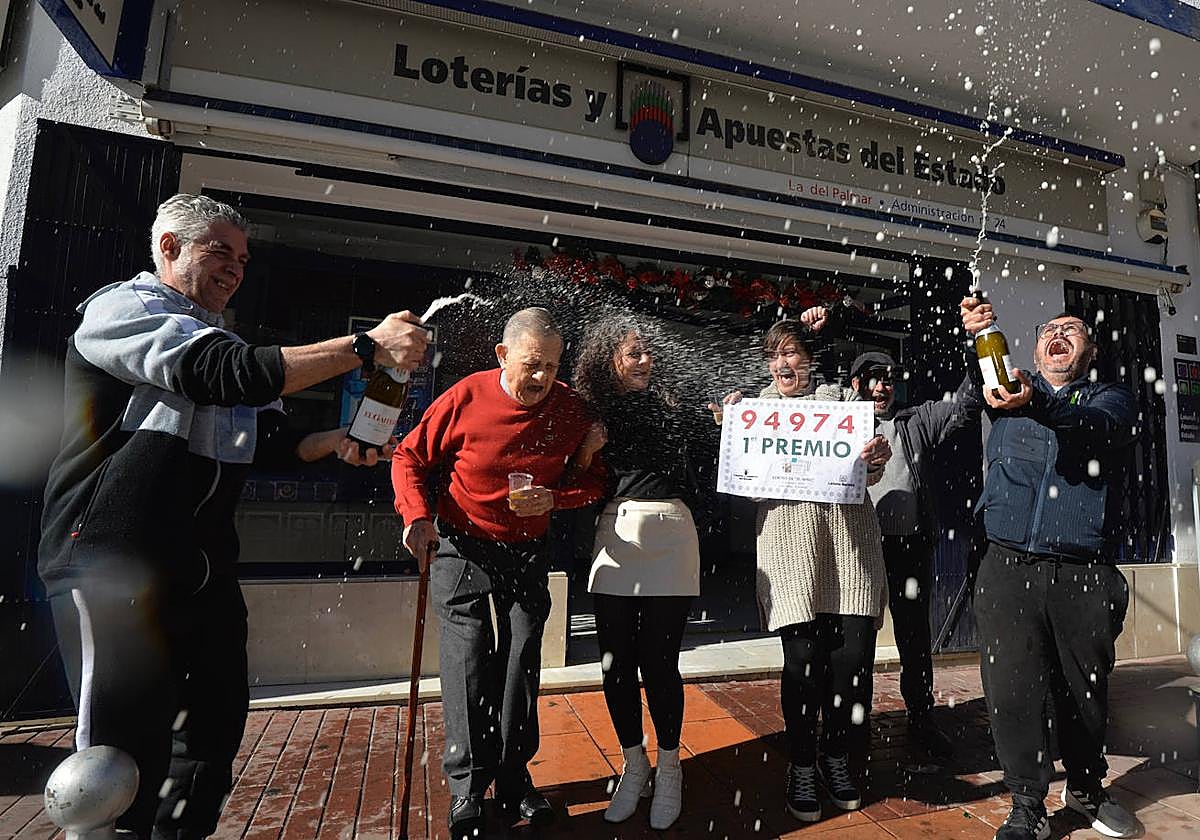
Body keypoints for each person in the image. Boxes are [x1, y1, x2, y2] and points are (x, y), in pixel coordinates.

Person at [38, 194, 430, 840]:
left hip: (202, 573)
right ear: (168, 246)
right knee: (116, 760)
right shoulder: (124, 310)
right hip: (113, 569)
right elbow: (218, 375)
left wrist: (332, 442)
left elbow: (267, 439)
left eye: (244, 259)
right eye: (220, 250)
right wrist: (366, 346)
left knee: (212, 739)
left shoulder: (220, 339)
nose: (237, 269)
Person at [393, 307, 607, 840]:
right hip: (462, 544)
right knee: (468, 661)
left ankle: (514, 776)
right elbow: (408, 456)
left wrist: (555, 497)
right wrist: (416, 518)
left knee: (519, 661)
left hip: (527, 551)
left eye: (553, 366)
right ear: (503, 356)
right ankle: (468, 783)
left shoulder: (571, 409)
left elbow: (596, 482)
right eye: (532, 364)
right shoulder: (467, 395)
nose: (542, 378)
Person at [959, 298, 1140, 840]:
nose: (1059, 335)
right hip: (1006, 567)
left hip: (1082, 572)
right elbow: (982, 379)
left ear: (1090, 352)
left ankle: (1085, 789)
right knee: (1012, 691)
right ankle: (1027, 802)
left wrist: (1038, 401)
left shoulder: (1111, 400)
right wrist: (976, 333)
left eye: (1072, 331)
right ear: (1036, 347)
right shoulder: (1007, 392)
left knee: (1083, 691)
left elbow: (1092, 429)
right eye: (1049, 331)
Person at [723, 319, 891, 824]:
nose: (783, 364)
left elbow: (871, 473)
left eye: (792, 353)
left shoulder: (845, 408)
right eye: (774, 356)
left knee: (851, 663)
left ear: (809, 359)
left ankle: (834, 757)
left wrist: (875, 456)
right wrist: (734, 432)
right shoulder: (757, 414)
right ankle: (801, 763)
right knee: (801, 665)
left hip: (850, 554)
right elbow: (746, 486)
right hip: (790, 554)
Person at [802, 305, 962, 768]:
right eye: (872, 377)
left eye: (889, 377)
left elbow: (966, 407)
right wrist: (822, 330)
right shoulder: (837, 419)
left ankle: (922, 718)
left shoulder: (915, 420)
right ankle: (855, 724)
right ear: (855, 384)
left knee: (914, 636)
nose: (882, 385)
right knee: (856, 641)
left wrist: (980, 349)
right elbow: (802, 383)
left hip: (908, 547)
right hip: (857, 550)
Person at [571, 314, 700, 830]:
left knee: (660, 662)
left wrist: (727, 415)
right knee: (615, 663)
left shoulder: (677, 405)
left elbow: (719, 448)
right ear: (609, 361)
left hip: (672, 537)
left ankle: (670, 768)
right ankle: (634, 763)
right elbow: (570, 478)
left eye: (648, 351)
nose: (644, 359)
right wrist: (588, 447)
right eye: (633, 353)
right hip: (617, 538)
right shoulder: (590, 413)